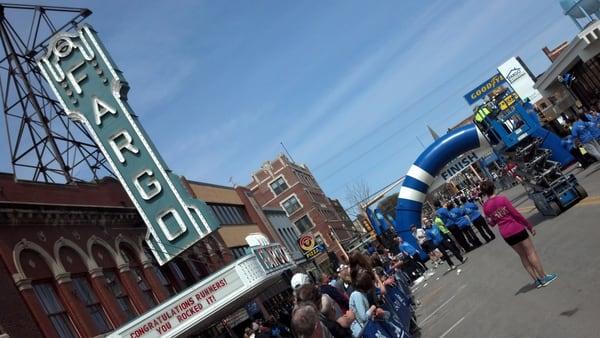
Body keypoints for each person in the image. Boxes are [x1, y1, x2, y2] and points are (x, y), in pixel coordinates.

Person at [480, 180, 557, 287]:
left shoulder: (485, 207)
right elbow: (516, 214)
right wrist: (529, 226)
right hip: (516, 228)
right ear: (493, 188)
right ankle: (543, 277)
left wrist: (491, 218)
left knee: (522, 256)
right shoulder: (502, 199)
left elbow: (492, 223)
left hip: (506, 234)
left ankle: (536, 280)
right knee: (531, 252)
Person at [348, 268, 387, 337]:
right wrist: (373, 307)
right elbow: (364, 317)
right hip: (362, 331)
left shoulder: (361, 293)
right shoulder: (357, 295)